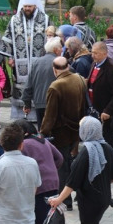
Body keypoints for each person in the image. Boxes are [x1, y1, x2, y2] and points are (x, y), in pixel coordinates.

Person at [13, 119, 63, 224]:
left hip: (38, 186)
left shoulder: (24, 144)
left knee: (35, 220)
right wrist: (51, 169)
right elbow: (59, 158)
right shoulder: (44, 141)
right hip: (53, 183)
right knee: (43, 218)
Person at [39, 57, 86, 210]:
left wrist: (42, 133)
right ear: (67, 66)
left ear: (54, 70)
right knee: (74, 164)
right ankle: (80, 196)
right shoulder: (79, 79)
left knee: (62, 166)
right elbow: (84, 106)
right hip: (76, 129)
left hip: (61, 133)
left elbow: (50, 115)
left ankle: (65, 201)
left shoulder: (55, 86)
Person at [1, 0, 49, 122]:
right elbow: (8, 38)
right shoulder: (14, 20)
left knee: (37, 84)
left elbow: (50, 38)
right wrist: (10, 57)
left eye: (30, 6)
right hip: (20, 61)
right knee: (21, 86)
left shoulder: (45, 19)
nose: (27, 9)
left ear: (35, 6)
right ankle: (21, 115)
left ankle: (37, 114)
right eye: (25, 6)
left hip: (39, 60)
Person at [87, 41, 113, 147]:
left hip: (105, 112)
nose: (93, 55)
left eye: (96, 53)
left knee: (107, 142)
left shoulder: (112, 70)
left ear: (105, 54)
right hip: (93, 109)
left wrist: (108, 110)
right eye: (92, 52)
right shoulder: (94, 64)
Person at [22, 37, 63, 126]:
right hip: (56, 104)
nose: (62, 50)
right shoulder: (60, 63)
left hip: (39, 104)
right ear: (55, 50)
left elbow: (28, 85)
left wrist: (27, 104)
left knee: (42, 130)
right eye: (60, 48)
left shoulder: (36, 63)